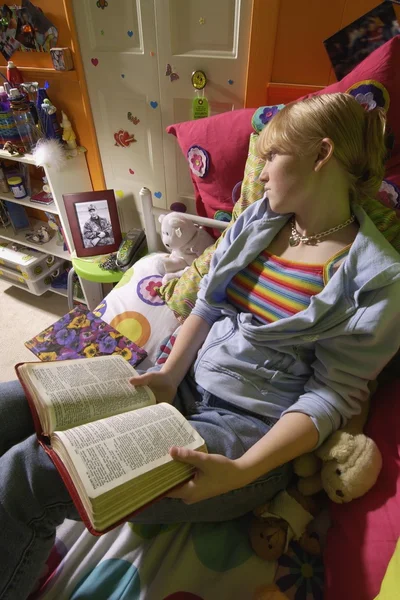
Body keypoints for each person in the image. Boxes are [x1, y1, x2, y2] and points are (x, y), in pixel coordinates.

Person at [2, 92, 400, 599]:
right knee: (15, 403)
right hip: (184, 385)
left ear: (321, 155)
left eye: (274, 156)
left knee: (33, 473)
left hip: (246, 435)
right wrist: (168, 375)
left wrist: (239, 473)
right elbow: (208, 303)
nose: (262, 173)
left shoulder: (377, 280)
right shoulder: (259, 221)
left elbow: (330, 399)